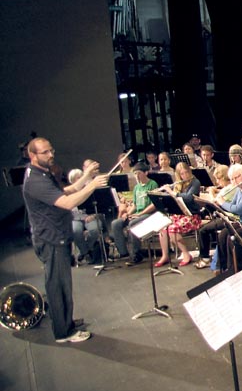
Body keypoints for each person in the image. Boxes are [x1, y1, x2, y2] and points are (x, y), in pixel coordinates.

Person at [23, 137, 108, 343]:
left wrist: (86, 176)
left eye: (51, 150)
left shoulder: (43, 173)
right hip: (51, 239)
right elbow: (68, 202)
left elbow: (65, 190)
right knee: (58, 286)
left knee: (62, 284)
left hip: (56, 235)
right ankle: (64, 332)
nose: (51, 155)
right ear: (32, 155)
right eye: (45, 152)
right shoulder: (36, 180)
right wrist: (92, 186)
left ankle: (64, 320)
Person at [110, 162, 159, 265]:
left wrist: (140, 214)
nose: (137, 176)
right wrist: (128, 213)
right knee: (116, 223)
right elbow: (135, 205)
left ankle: (136, 253)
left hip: (148, 214)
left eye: (139, 173)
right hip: (138, 213)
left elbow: (154, 204)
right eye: (135, 173)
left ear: (145, 173)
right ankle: (123, 252)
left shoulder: (153, 184)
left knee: (133, 223)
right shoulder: (137, 187)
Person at [154, 162, 202, 267]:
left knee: (172, 229)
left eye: (186, 172)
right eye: (182, 174)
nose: (185, 176)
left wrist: (172, 193)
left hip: (192, 215)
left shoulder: (195, 182)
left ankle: (186, 254)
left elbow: (189, 198)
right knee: (163, 228)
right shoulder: (178, 184)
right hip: (179, 214)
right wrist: (164, 193)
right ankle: (165, 255)